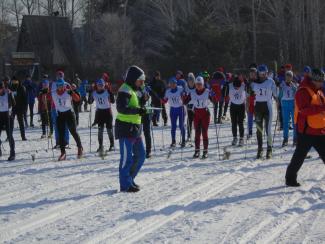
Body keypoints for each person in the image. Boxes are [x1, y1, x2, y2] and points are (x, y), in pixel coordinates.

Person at [285, 68, 325, 187]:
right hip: (306, 131)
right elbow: (304, 110)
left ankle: (290, 178)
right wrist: (322, 108)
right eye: (320, 81)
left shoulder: (318, 91)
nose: (322, 83)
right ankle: (290, 179)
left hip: (319, 130)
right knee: (299, 156)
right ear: (314, 80)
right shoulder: (302, 91)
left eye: (322, 81)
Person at [115, 65, 146, 193]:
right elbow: (122, 108)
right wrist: (138, 110)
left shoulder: (135, 89)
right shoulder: (125, 90)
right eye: (140, 80)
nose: (142, 83)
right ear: (133, 78)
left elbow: (137, 105)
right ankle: (125, 185)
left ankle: (129, 180)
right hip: (125, 129)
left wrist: (143, 102)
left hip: (135, 129)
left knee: (141, 155)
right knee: (126, 159)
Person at [52, 79, 83, 161]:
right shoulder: (54, 93)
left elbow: (77, 99)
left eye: (61, 86)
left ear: (64, 85)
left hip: (69, 113)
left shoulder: (68, 91)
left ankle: (80, 147)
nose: (60, 88)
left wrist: (72, 93)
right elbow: (46, 95)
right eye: (58, 86)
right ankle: (63, 153)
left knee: (73, 131)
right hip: (60, 114)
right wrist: (43, 93)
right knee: (61, 134)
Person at [251, 64, 277, 159]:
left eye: (265, 73)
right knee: (259, 130)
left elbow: (276, 94)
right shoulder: (254, 83)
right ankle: (260, 149)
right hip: (258, 108)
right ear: (258, 73)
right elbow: (249, 94)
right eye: (261, 73)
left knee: (268, 130)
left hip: (268, 108)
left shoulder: (270, 81)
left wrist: (276, 85)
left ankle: (269, 149)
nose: (263, 75)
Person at [185, 76, 212, 159]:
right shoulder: (192, 92)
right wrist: (184, 97)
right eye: (197, 84)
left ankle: (205, 151)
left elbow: (215, 100)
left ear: (203, 84)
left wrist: (213, 95)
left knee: (204, 132)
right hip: (196, 113)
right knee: (197, 133)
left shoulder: (207, 91)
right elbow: (185, 101)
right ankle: (197, 151)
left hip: (205, 114)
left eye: (200, 84)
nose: (198, 86)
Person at [88, 78, 115, 154]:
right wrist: (90, 92)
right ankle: (100, 146)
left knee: (109, 130)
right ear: (97, 86)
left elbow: (113, 101)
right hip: (100, 113)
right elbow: (90, 102)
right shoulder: (94, 93)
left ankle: (112, 145)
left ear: (104, 86)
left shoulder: (107, 92)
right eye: (99, 85)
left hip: (107, 112)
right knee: (100, 130)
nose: (100, 87)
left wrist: (110, 92)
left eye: (101, 85)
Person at [163, 78, 186, 147]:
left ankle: (183, 140)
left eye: (174, 84)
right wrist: (162, 100)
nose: (172, 85)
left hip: (180, 108)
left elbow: (185, 96)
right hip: (173, 110)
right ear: (169, 84)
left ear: (176, 84)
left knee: (181, 125)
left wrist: (183, 95)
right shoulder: (168, 91)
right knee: (173, 126)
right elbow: (165, 100)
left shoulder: (180, 89)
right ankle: (173, 141)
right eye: (171, 84)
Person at [51, 71, 70, 148]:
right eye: (58, 76)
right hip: (54, 107)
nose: (59, 77)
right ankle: (58, 141)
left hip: (64, 107)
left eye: (61, 76)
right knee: (56, 125)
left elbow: (69, 96)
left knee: (65, 125)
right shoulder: (53, 84)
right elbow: (50, 94)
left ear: (63, 76)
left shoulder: (66, 84)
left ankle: (65, 141)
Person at [279, 71, 297, 147]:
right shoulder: (282, 84)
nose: (288, 77)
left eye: (290, 76)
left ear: (292, 77)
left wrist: (294, 89)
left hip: (292, 104)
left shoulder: (294, 85)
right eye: (287, 76)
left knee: (294, 122)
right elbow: (279, 96)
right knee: (285, 122)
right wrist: (281, 90)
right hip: (285, 104)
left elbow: (296, 95)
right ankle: (285, 139)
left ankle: (295, 139)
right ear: (285, 77)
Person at [229, 76, 246, 146]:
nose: (237, 88)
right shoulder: (230, 86)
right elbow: (224, 90)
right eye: (236, 87)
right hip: (233, 106)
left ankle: (241, 138)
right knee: (233, 123)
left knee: (241, 123)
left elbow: (248, 85)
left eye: (238, 87)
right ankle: (235, 137)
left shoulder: (243, 85)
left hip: (241, 106)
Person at [0, 81, 15, 161]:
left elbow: (13, 104)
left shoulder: (8, 93)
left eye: (1, 89)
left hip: (8, 116)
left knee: (9, 136)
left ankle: (12, 153)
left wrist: (10, 94)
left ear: (3, 88)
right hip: (0, 116)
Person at [10, 76, 27, 141]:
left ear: (18, 81)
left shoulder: (22, 88)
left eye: (15, 80)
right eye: (12, 81)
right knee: (11, 122)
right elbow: (9, 98)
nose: (13, 82)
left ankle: (23, 136)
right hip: (13, 108)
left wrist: (24, 109)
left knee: (21, 123)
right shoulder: (11, 88)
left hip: (20, 108)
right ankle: (9, 136)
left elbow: (25, 99)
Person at [246, 67, 257, 138]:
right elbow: (247, 95)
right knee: (250, 118)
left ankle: (259, 131)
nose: (252, 75)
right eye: (251, 74)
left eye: (254, 74)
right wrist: (247, 104)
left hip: (257, 102)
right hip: (250, 102)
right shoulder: (248, 83)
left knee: (258, 118)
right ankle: (250, 132)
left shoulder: (259, 82)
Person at [186, 73, 196, 142]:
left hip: (196, 107)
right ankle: (189, 136)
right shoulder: (186, 87)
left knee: (197, 122)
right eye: (189, 81)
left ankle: (197, 136)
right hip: (189, 106)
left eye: (192, 81)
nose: (191, 82)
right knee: (189, 122)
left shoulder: (196, 86)